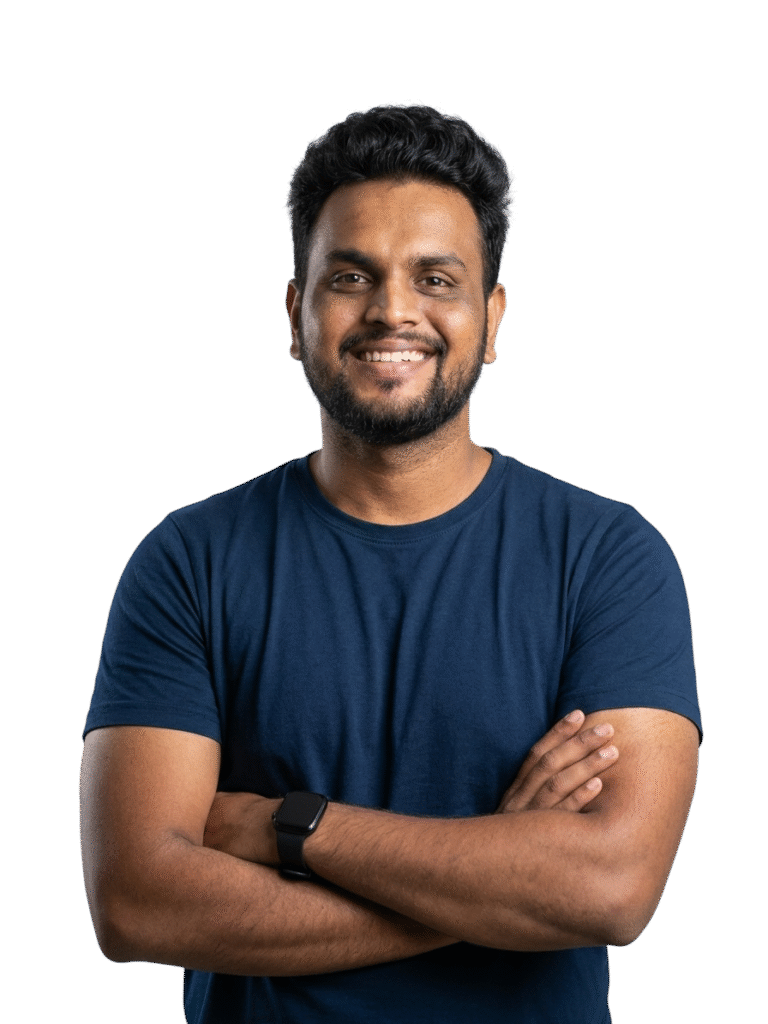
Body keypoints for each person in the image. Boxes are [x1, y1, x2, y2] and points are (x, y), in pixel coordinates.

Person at [80, 106, 702, 1024]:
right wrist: (498, 872)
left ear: (492, 319)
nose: (393, 311)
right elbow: (137, 902)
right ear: (297, 317)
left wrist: (288, 827)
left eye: (436, 279)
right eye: (350, 277)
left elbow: (610, 889)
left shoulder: (608, 560)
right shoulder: (189, 561)